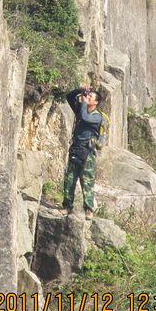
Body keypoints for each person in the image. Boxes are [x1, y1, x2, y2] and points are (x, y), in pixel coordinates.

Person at [63, 87, 108, 219]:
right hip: (76, 148)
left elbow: (84, 117)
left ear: (96, 102)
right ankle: (67, 206)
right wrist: (80, 90)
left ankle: (88, 209)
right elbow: (69, 96)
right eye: (87, 96)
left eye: (90, 97)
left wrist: (82, 102)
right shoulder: (81, 108)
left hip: (87, 152)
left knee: (87, 180)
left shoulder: (97, 117)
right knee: (70, 179)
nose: (87, 98)